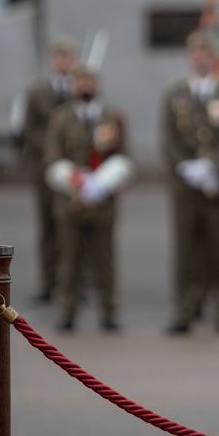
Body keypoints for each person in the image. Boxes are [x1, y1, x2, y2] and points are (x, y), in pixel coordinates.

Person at [160, 30, 219, 335]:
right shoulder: (174, 93)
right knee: (187, 252)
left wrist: (213, 168)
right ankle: (185, 309)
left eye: (207, 53)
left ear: (214, 57)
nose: (201, 58)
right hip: (186, 187)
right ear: (189, 56)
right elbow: (168, 138)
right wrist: (186, 168)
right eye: (196, 53)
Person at [43, 65, 131, 331]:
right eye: (80, 81)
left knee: (105, 259)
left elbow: (124, 156)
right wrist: (75, 179)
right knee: (69, 259)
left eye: (89, 81)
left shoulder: (112, 116)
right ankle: (67, 312)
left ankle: (109, 312)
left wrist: (104, 181)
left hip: (103, 202)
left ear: (97, 83)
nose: (85, 86)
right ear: (72, 85)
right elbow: (51, 157)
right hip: (70, 201)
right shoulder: (60, 118)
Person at [21, 39, 76, 302]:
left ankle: (73, 281)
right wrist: (48, 152)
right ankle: (48, 281)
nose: (63, 62)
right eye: (58, 57)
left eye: (67, 57)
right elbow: (28, 129)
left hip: (70, 168)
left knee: (71, 225)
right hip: (44, 166)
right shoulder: (37, 91)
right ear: (52, 61)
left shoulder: (80, 89)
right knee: (47, 224)